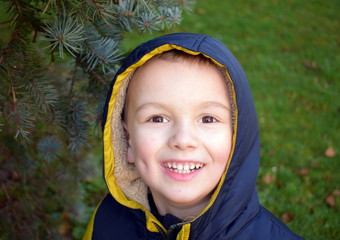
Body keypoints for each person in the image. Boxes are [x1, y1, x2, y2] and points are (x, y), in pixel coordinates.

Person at [83, 33, 303, 239]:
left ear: (237, 138)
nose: (183, 140)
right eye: (157, 118)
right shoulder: (105, 222)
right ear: (127, 139)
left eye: (207, 119)